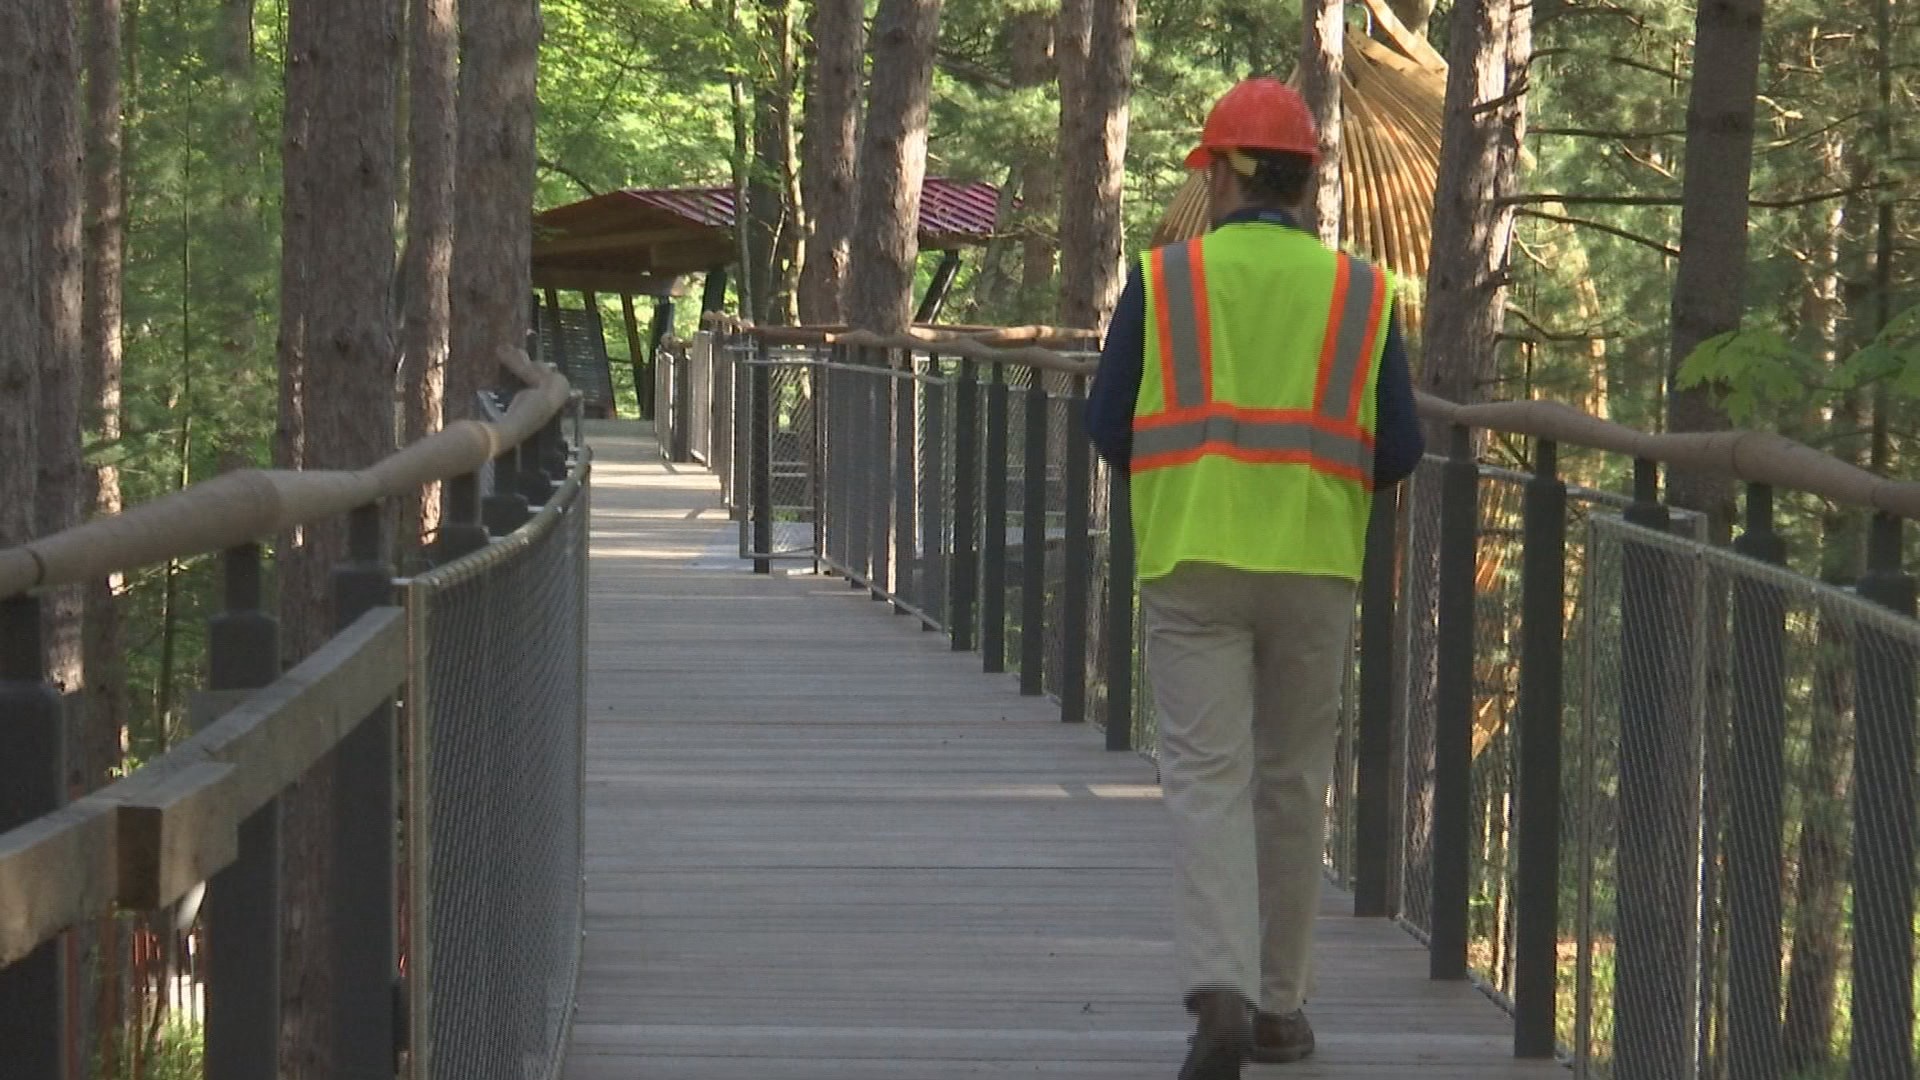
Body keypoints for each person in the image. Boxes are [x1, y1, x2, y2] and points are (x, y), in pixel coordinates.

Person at [1084, 77, 1424, 1079]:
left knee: (1207, 776)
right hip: (1316, 562)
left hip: (1194, 556)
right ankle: (1280, 1008)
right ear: (1308, 181)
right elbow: (1397, 446)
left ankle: (1220, 990)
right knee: (1290, 779)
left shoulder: (1167, 281)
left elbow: (1108, 426)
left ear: (1230, 171)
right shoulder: (1363, 292)